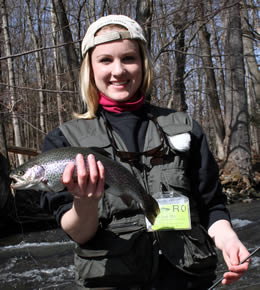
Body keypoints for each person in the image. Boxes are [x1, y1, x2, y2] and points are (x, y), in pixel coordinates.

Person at [40, 14, 250, 289]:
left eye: (128, 58)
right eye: (105, 60)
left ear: (143, 64)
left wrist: (229, 240)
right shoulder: (62, 142)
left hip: (188, 280)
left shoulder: (186, 128)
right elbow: (79, 233)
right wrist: (86, 201)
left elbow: (212, 206)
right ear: (89, 68)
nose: (118, 71)